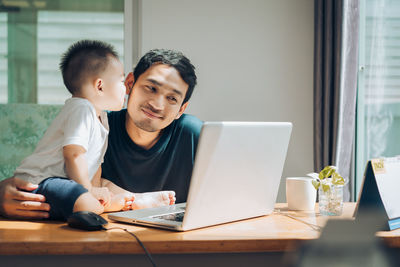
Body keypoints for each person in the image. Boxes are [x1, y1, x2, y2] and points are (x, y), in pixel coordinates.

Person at [0, 48, 201, 219]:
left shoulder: (195, 135)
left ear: (181, 109)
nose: (157, 104)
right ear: (130, 83)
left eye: (172, 99)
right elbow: (47, 175)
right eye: (151, 88)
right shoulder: (96, 124)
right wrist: (2, 195)